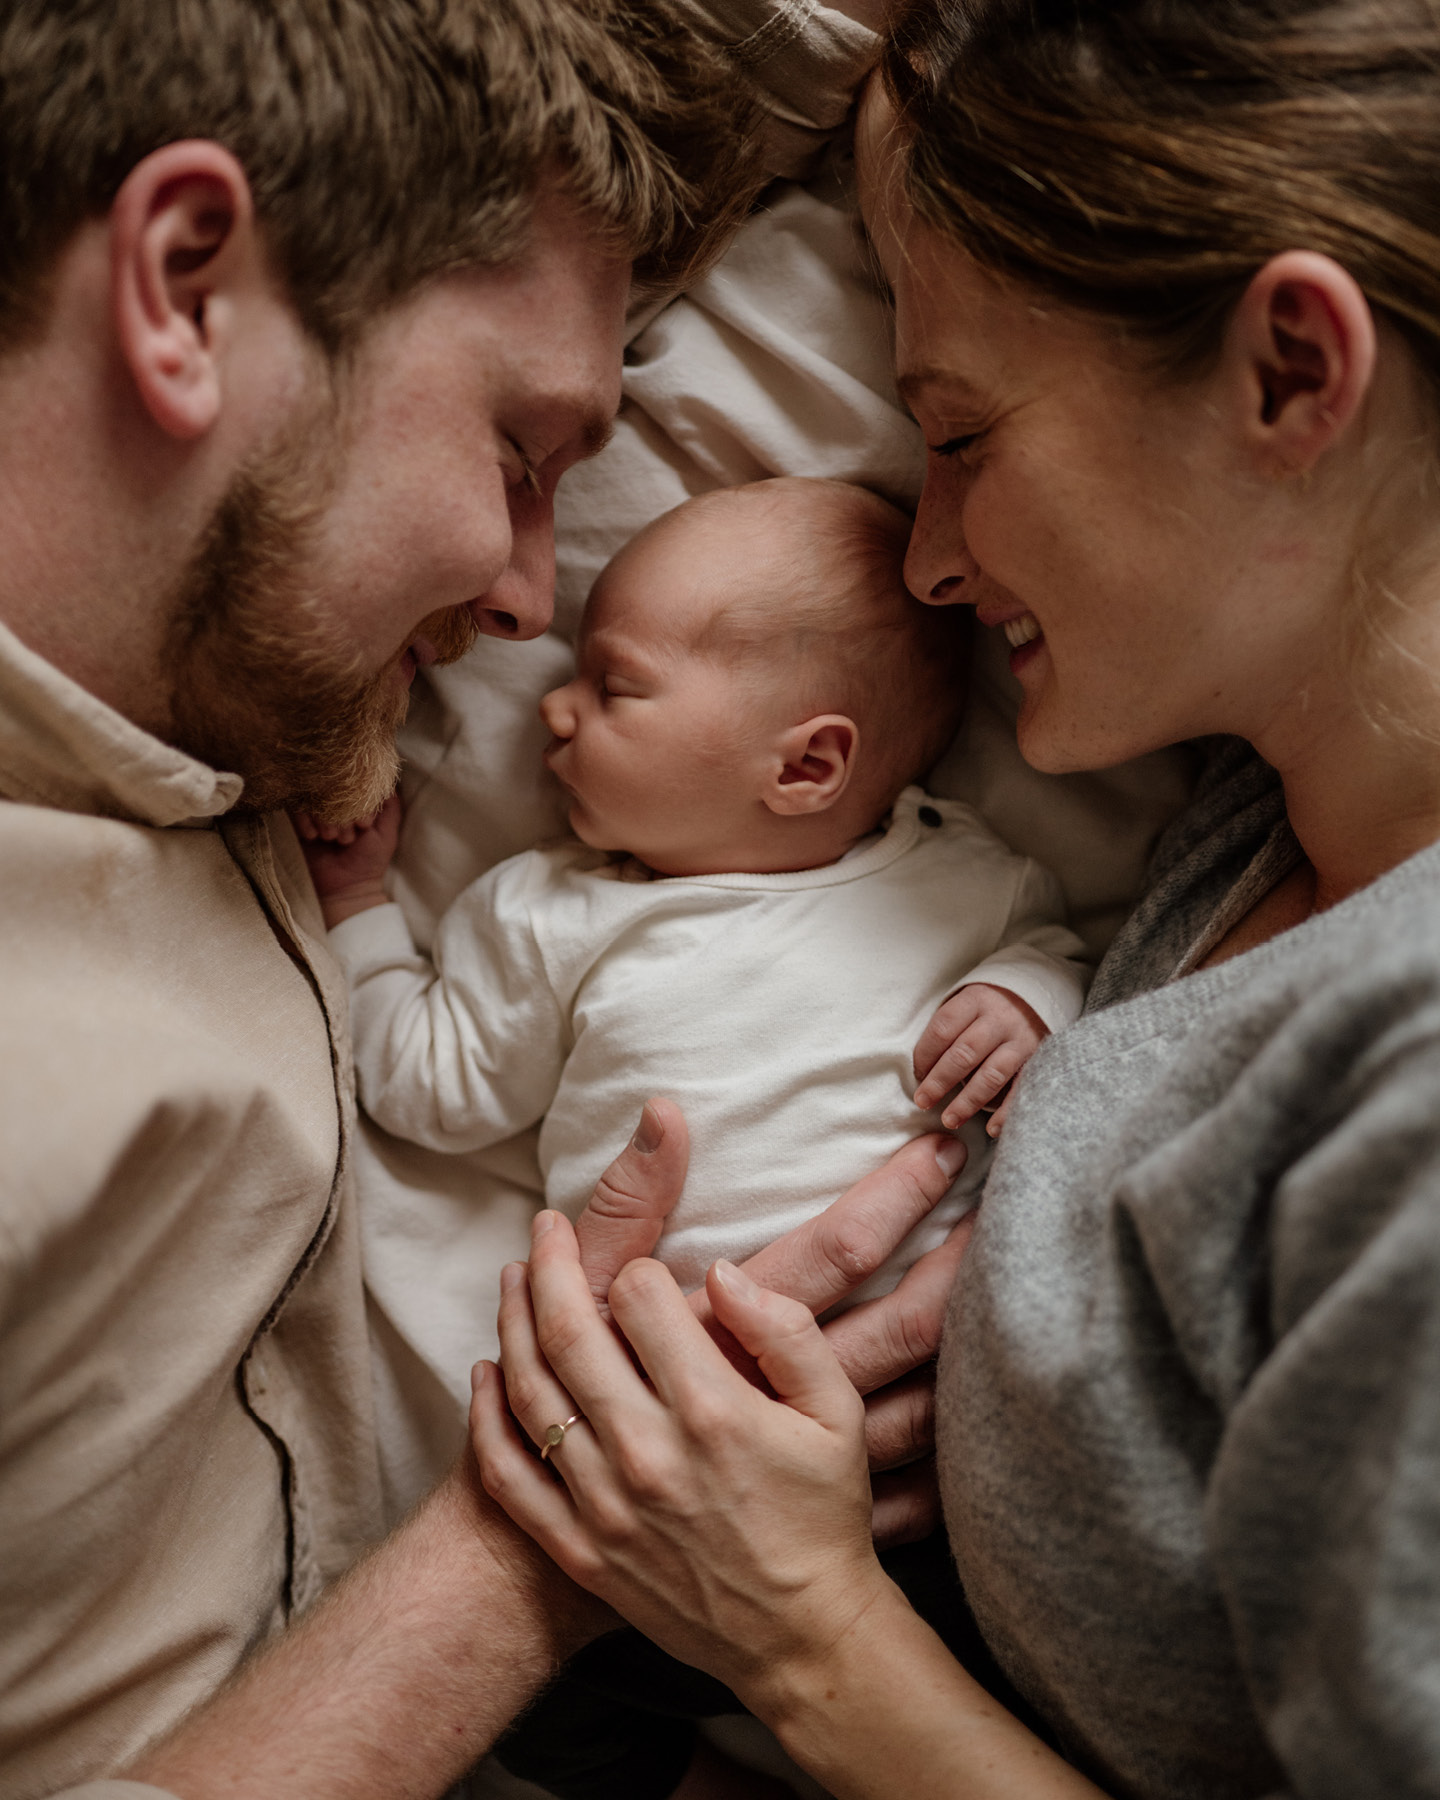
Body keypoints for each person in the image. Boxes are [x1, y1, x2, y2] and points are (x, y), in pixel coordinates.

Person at [468, 1, 1440, 1796]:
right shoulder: (1254, 823)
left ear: (1294, 374)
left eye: (964, 435)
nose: (923, 554)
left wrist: (797, 1628)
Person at [0, 7, 963, 1797]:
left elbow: (741, 78)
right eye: (522, 457)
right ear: (186, 287)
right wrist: (546, 1539)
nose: (533, 598)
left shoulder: (240, 683)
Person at [300, 474, 1087, 1800]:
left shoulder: (960, 881)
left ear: (806, 763)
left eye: (614, 686)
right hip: (648, 1462)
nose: (554, 704)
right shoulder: (548, 912)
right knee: (556, 1702)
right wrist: (367, 910)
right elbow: (430, 1083)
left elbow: (1065, 963)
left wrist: (1027, 1003)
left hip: (928, 1464)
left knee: (1013, 1661)